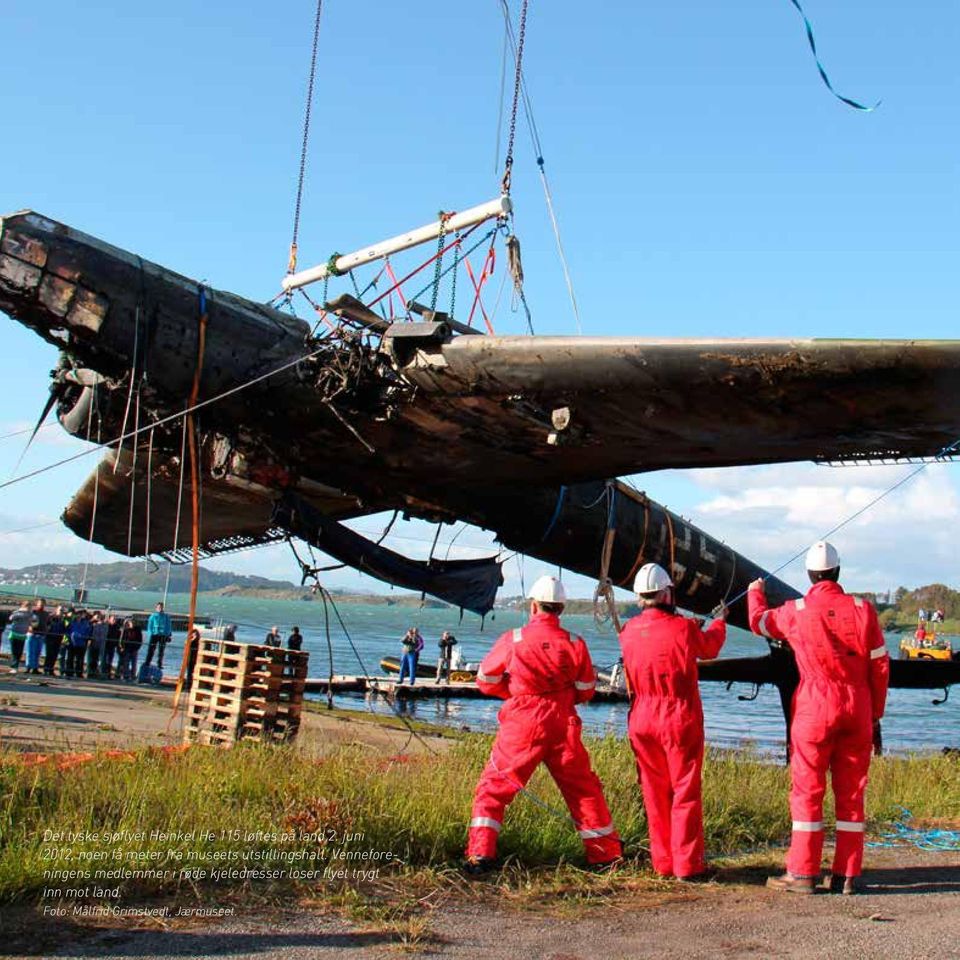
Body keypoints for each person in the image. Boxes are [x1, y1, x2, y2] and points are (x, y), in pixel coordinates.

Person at [748, 541, 889, 895]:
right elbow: (880, 666)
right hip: (856, 706)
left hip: (814, 706)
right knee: (852, 793)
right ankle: (846, 875)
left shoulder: (796, 609)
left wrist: (755, 593)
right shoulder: (864, 610)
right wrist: (875, 715)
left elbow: (759, 622)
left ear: (810, 575)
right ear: (838, 573)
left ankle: (802, 873)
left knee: (808, 791)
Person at [464, 575, 623, 875]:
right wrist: (562, 697)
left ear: (533, 606)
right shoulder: (575, 643)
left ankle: (481, 854)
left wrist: (514, 693)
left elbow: (485, 680)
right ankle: (606, 856)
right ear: (560, 608)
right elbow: (587, 689)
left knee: (494, 788)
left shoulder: (514, 639)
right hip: (563, 721)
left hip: (522, 720)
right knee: (583, 789)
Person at [618, 563, 727, 881]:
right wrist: (719, 623)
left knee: (654, 792)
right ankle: (688, 866)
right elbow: (709, 648)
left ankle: (663, 863)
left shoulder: (628, 632)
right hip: (677, 717)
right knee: (684, 792)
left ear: (639, 597)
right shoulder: (684, 629)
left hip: (641, 718)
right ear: (667, 592)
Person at [144, 602, 172, 671]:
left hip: (163, 635)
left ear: (163, 608)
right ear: (156, 608)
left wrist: (168, 634)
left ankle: (159, 664)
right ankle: (147, 662)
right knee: (151, 650)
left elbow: (169, 626)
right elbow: (149, 626)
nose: (160, 608)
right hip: (154, 634)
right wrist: (151, 633)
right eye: (159, 607)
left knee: (161, 651)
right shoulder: (153, 616)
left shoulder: (166, 616)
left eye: (161, 607)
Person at [6, 602, 33, 673]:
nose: (28, 608)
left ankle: (15, 666)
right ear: (23, 606)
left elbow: (34, 621)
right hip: (14, 634)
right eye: (27, 606)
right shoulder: (17, 612)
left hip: (23, 635)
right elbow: (11, 618)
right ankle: (14, 667)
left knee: (19, 652)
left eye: (29, 606)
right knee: (14, 651)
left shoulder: (30, 614)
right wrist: (20, 611)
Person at [66, 610, 92, 678]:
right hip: (72, 643)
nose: (79, 616)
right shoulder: (72, 622)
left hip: (81, 643)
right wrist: (69, 639)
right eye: (79, 615)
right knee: (70, 658)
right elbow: (68, 631)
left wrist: (84, 638)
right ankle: (69, 672)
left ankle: (79, 673)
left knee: (80, 659)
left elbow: (88, 632)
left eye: (81, 615)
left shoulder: (85, 623)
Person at [44, 606, 67, 676]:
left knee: (54, 655)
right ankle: (46, 669)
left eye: (62, 611)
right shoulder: (51, 618)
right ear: (57, 610)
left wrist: (63, 640)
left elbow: (64, 630)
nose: (61, 612)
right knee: (49, 654)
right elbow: (46, 626)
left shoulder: (63, 620)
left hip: (58, 639)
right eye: (60, 610)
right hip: (50, 638)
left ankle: (51, 669)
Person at [118, 618, 143, 682]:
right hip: (127, 648)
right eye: (130, 623)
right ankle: (126, 675)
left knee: (134, 663)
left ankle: (133, 676)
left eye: (132, 623)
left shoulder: (138, 630)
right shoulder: (125, 630)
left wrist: (137, 647)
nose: (131, 624)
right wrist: (122, 647)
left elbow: (140, 640)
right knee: (126, 662)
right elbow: (122, 639)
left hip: (134, 649)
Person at [87, 612, 108, 678]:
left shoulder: (105, 626)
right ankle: (90, 673)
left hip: (100, 644)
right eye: (99, 618)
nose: (100, 619)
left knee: (97, 659)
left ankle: (95, 672)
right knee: (91, 659)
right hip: (93, 643)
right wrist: (93, 619)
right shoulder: (93, 625)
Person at [101, 614, 121, 678]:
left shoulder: (117, 627)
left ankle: (108, 674)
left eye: (115, 619)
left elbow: (118, 637)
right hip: (106, 645)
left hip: (112, 646)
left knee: (110, 661)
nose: (114, 620)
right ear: (109, 619)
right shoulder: (106, 626)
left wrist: (117, 645)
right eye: (113, 619)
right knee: (104, 660)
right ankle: (103, 673)